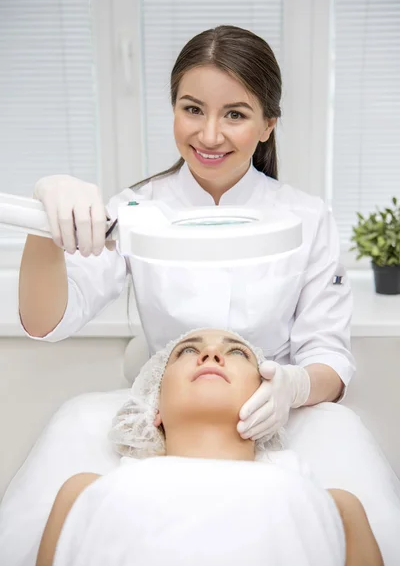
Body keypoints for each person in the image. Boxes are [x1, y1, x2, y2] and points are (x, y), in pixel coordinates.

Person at [19, 24, 355, 443]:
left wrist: (295, 386)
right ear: (174, 108)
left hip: (280, 425)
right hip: (175, 431)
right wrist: (42, 220)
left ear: (268, 124)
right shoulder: (134, 211)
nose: (209, 135)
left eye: (235, 114)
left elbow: (329, 358)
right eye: (193, 109)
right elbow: (46, 322)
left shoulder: (307, 218)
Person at [32, 329, 383, 566]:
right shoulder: (81, 494)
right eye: (186, 351)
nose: (211, 356)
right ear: (154, 407)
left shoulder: (340, 509)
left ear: (269, 397)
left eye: (238, 353)